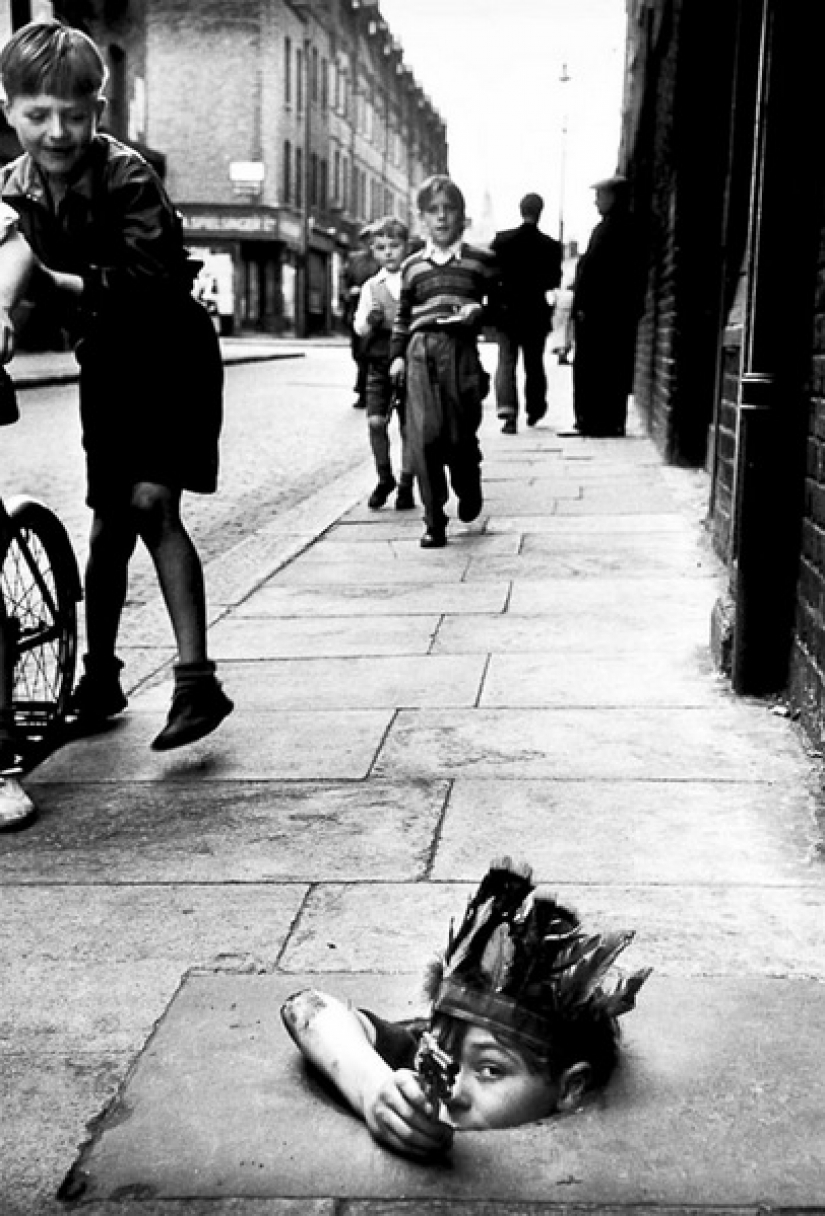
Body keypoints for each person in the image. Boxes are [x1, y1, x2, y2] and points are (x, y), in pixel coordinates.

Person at [0, 19, 233, 752]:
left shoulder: (128, 175)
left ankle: (197, 683)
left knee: (151, 502)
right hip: (106, 359)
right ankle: (99, 675)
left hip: (169, 354)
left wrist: (55, 282)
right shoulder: (10, 191)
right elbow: (9, 271)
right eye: (38, 114)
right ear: (8, 109)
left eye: (76, 114)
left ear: (99, 110)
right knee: (107, 524)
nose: (58, 131)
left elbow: (153, 285)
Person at [282, 858, 651, 1160]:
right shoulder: (418, 1059)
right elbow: (307, 1008)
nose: (452, 1091)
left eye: (490, 1070)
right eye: (439, 1054)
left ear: (571, 1087)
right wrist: (373, 1089)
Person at [389, 175, 496, 549]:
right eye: (433, 211)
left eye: (449, 210)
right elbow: (403, 315)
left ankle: (469, 483)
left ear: (462, 217)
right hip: (420, 350)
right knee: (424, 436)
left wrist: (477, 312)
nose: (441, 218)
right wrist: (397, 357)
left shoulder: (481, 263)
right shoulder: (412, 266)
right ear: (422, 219)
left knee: (458, 434)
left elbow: (499, 307)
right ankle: (434, 519)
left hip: (461, 351)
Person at [571, 175, 646, 437]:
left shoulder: (610, 230)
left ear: (614, 197)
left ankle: (596, 421)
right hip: (614, 314)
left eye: (600, 196)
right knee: (614, 368)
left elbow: (594, 273)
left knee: (598, 369)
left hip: (601, 316)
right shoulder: (626, 227)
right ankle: (609, 420)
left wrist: (583, 307)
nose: (595, 201)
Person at [352, 215, 415, 512]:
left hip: (411, 362)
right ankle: (384, 476)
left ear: (406, 247)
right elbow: (359, 328)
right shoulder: (371, 286)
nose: (388, 252)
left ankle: (406, 483)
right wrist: (370, 320)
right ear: (373, 251)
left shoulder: (413, 280)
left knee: (409, 427)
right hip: (378, 362)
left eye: (394, 245)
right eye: (381, 247)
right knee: (376, 421)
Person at [490, 193, 562, 433]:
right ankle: (535, 408)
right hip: (534, 312)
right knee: (534, 363)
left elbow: (491, 276)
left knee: (506, 361)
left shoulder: (502, 241)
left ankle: (508, 412)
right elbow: (554, 279)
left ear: (520, 210)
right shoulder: (550, 246)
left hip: (506, 311)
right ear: (540, 212)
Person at [342, 223, 379, 409]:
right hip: (356, 312)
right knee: (358, 353)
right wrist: (349, 292)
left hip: (376, 314)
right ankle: (364, 388)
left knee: (370, 352)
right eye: (366, 240)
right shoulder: (354, 260)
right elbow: (344, 283)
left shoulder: (382, 260)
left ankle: (367, 392)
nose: (369, 244)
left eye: (372, 240)